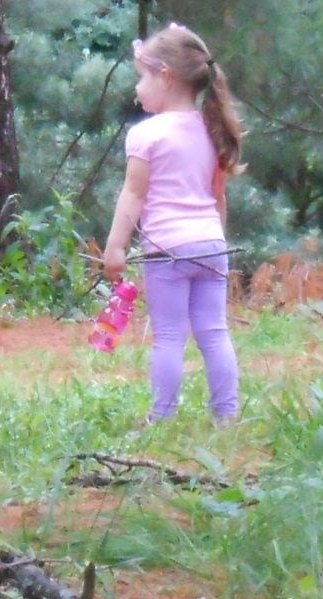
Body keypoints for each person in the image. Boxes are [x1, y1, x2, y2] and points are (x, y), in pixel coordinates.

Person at [101, 23, 244, 424]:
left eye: (143, 77)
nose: (138, 88)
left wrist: (116, 247)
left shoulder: (147, 134)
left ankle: (161, 416)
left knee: (168, 335)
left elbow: (134, 194)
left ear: (165, 76)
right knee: (214, 332)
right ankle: (226, 414)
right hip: (212, 246)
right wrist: (214, 239)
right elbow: (218, 197)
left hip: (166, 250)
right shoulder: (212, 129)